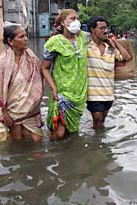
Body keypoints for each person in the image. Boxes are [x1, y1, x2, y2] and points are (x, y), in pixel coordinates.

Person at [0, 25, 43, 143]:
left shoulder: (31, 57)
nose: (26, 39)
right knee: (17, 140)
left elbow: (41, 75)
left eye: (26, 36)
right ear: (10, 41)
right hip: (12, 110)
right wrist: (5, 114)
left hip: (31, 109)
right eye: (21, 36)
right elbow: (0, 90)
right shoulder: (3, 61)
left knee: (37, 140)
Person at [41, 9, 88, 140]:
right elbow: (44, 68)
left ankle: (67, 157)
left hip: (79, 92)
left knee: (72, 131)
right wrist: (53, 88)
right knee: (59, 132)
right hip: (62, 92)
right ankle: (53, 153)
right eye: (72, 19)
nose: (76, 22)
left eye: (77, 19)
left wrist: (112, 42)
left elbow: (99, 35)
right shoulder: (54, 42)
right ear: (63, 22)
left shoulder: (83, 38)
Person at [86, 16, 131, 129]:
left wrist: (115, 42)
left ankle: (99, 139)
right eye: (101, 28)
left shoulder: (110, 48)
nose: (105, 31)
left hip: (108, 93)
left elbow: (126, 57)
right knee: (98, 119)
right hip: (92, 94)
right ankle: (97, 145)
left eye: (106, 28)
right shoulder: (85, 46)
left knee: (102, 121)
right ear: (92, 29)